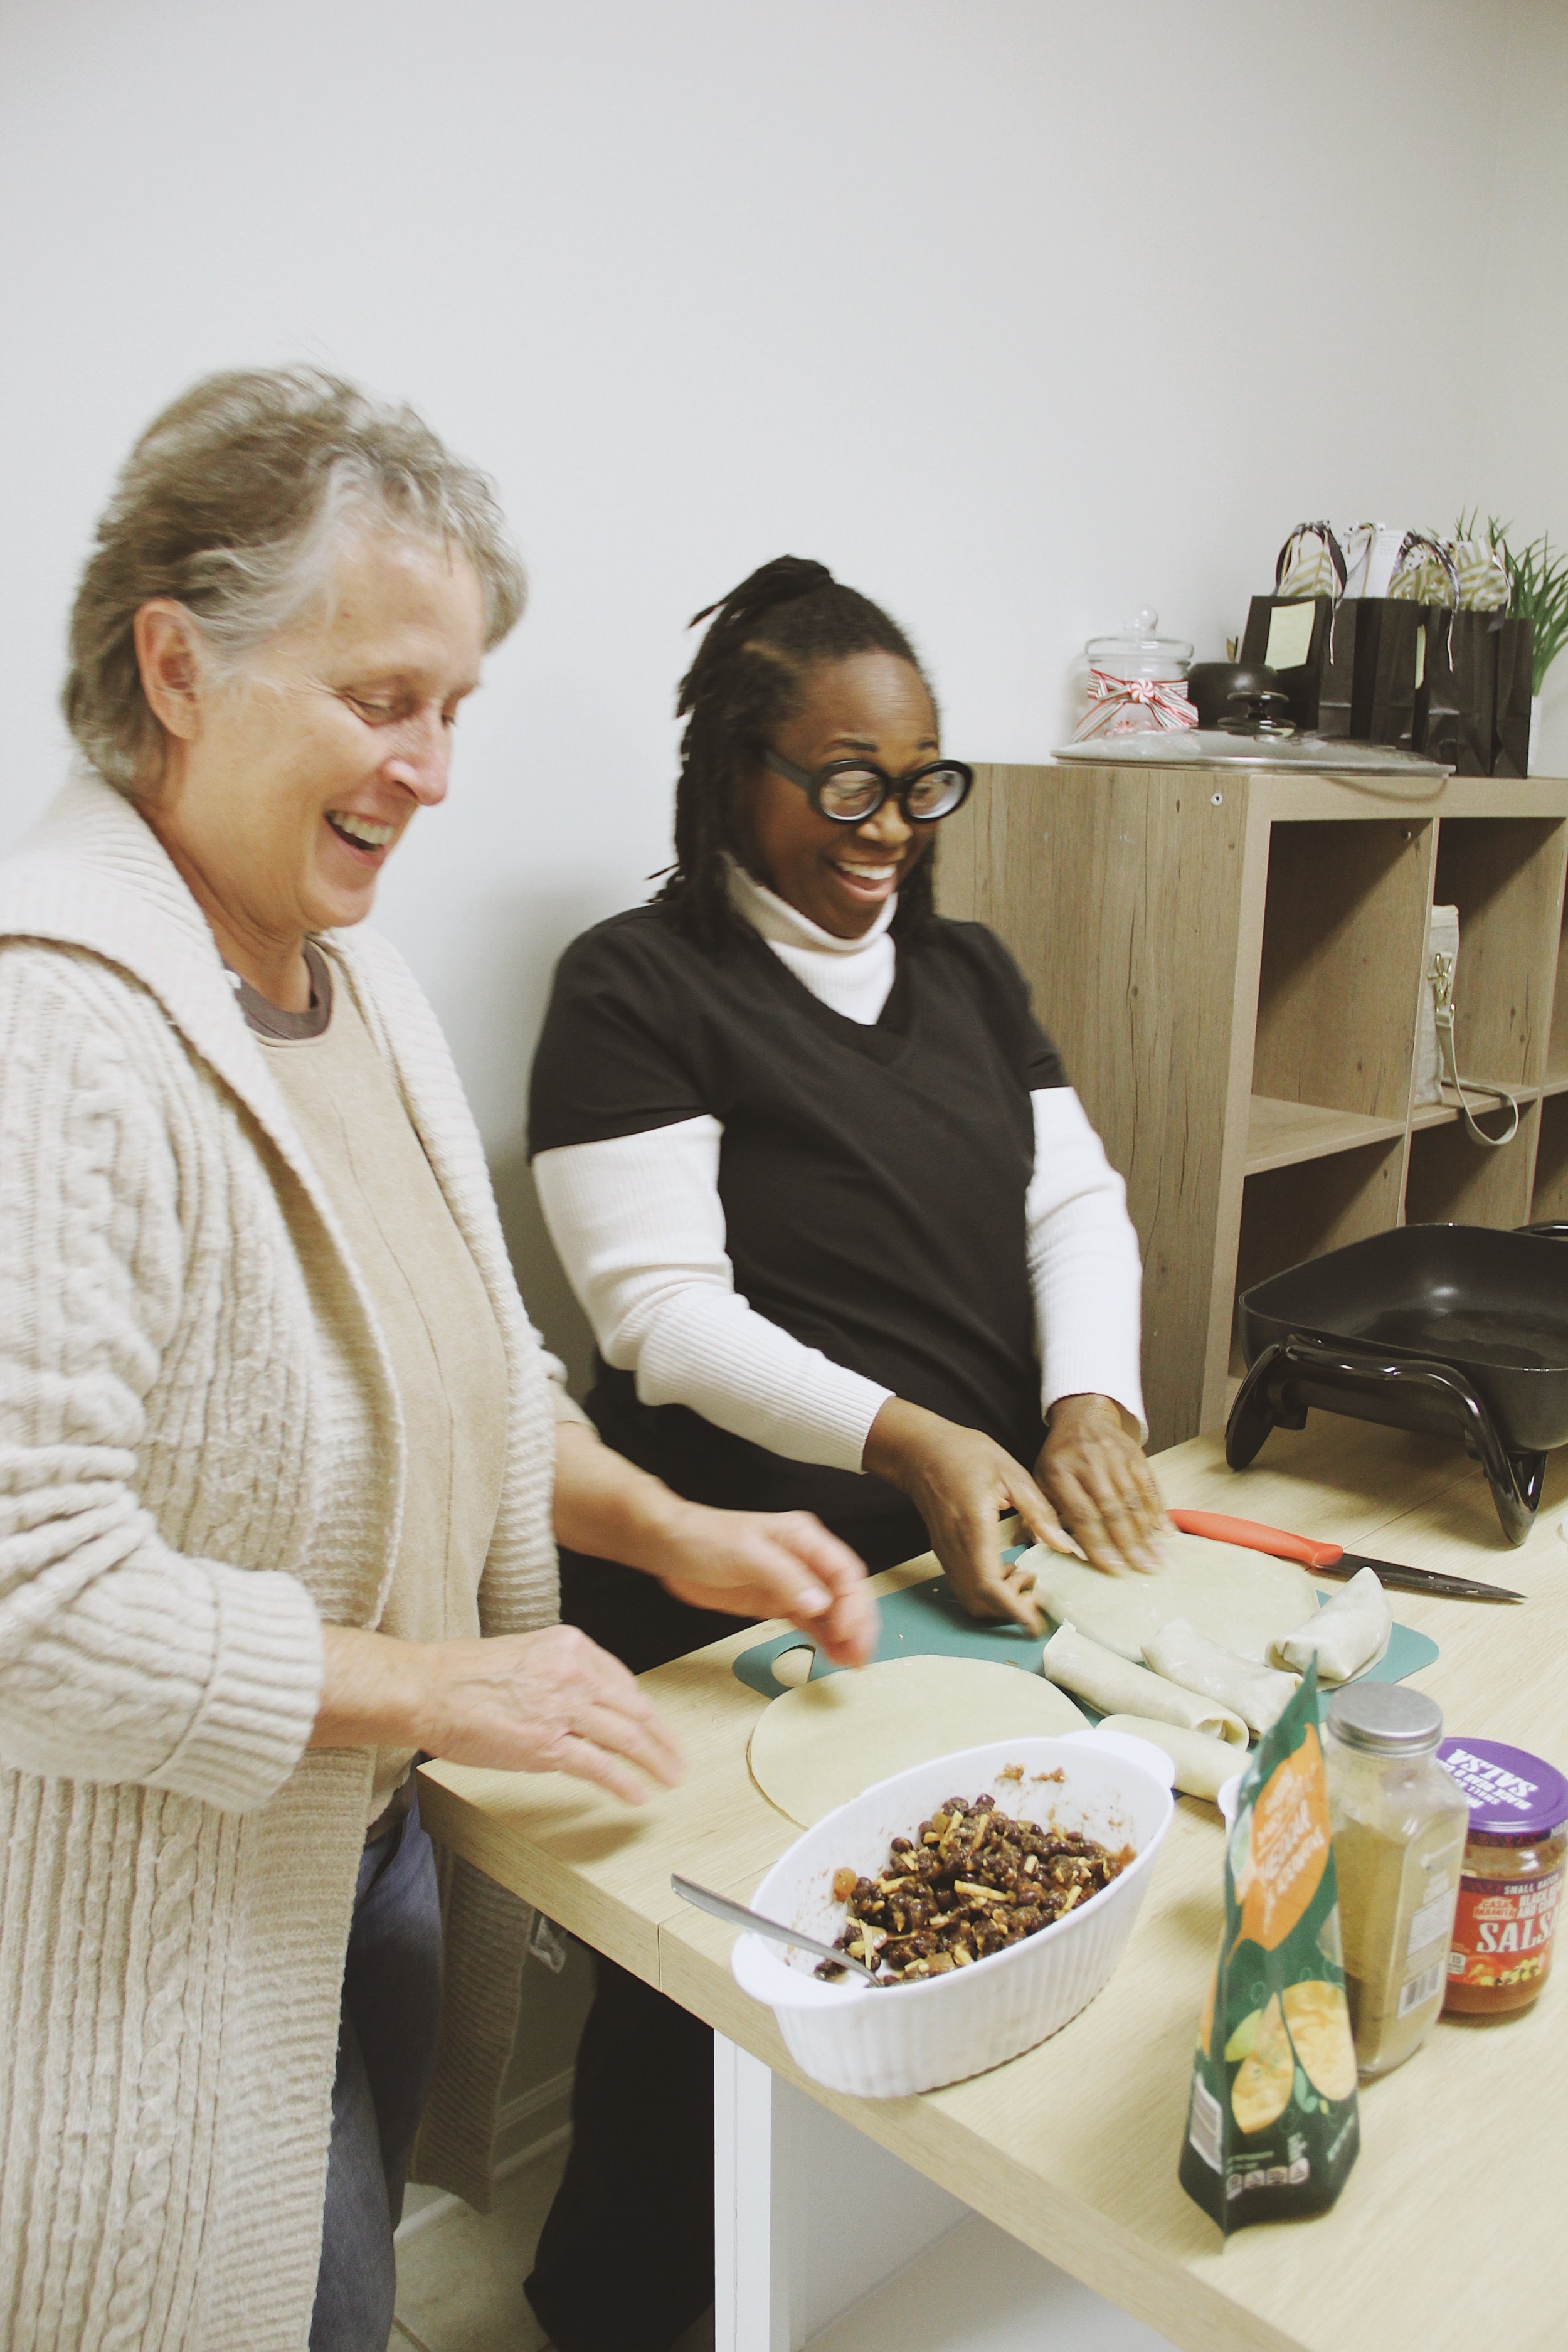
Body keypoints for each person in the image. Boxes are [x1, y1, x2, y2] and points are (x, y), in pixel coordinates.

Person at [0, 389, 874, 2352]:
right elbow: (27, 1598)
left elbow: (462, 1377)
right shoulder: (54, 1032)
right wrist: (431, 1684)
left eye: (456, 708)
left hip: (359, 1849)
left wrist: (669, 1524)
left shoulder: (355, 978)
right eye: (385, 699)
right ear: (177, 667)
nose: (435, 771)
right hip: (156, 1936)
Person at [523, 556, 1166, 2352]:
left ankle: (864, 2293)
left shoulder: (965, 975)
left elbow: (1074, 1207)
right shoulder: (635, 987)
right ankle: (618, 2316)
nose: (890, 827)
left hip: (957, 1568)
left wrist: (1086, 1401)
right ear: (736, 774)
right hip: (738, 1591)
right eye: (846, 782)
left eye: (920, 782)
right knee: (719, 1997)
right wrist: (910, 1437)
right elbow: (661, 1318)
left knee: (945, 1944)